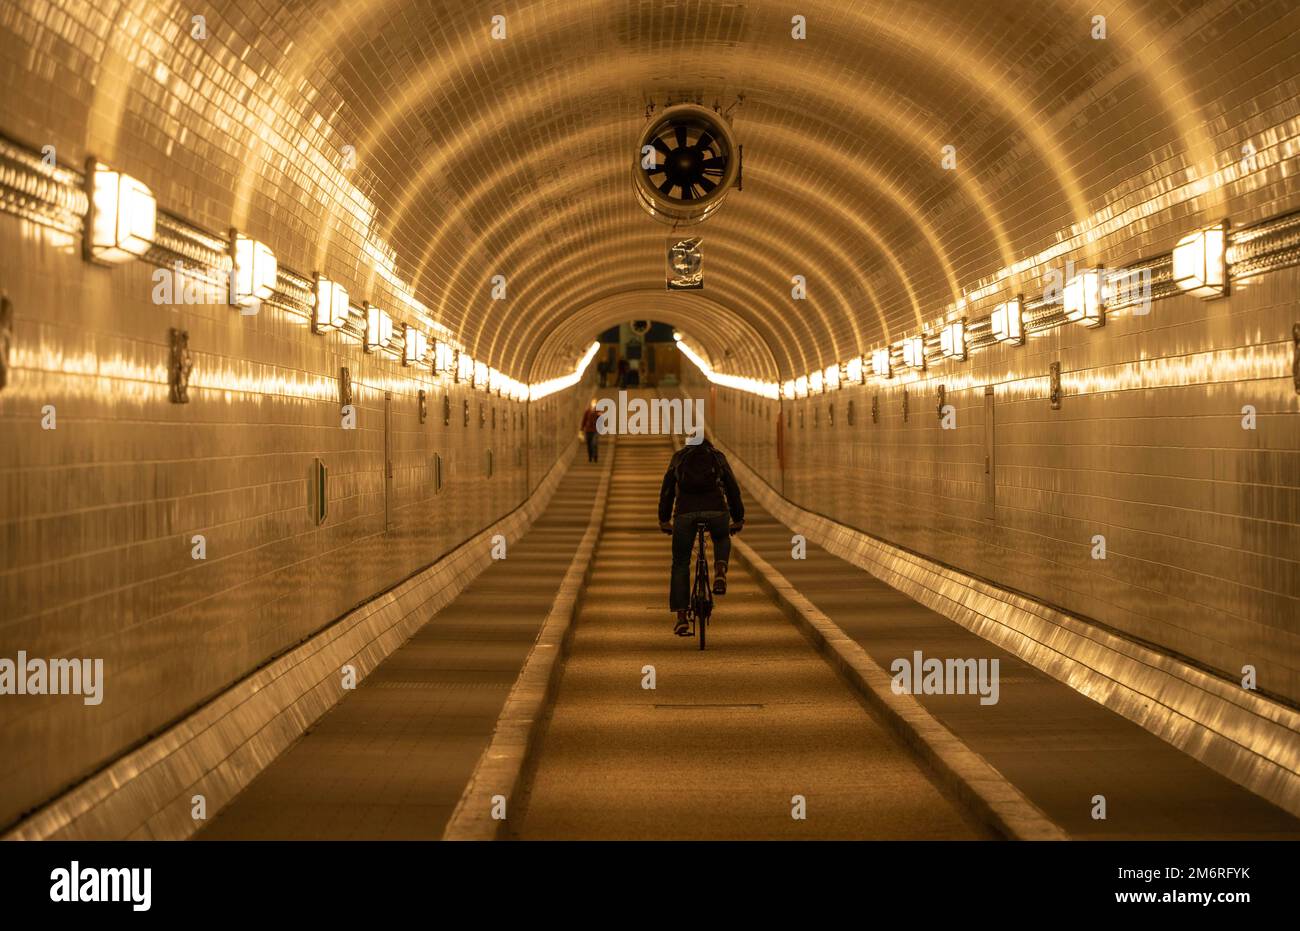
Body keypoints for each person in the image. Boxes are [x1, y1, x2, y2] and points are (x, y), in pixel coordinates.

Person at [658, 438, 744, 637]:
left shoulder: (679, 458)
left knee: (680, 563)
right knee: (722, 537)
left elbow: (667, 491)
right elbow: (732, 488)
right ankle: (720, 571)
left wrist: (664, 520)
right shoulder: (717, 457)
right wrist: (738, 517)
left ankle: (681, 617)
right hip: (716, 511)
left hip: (685, 514)